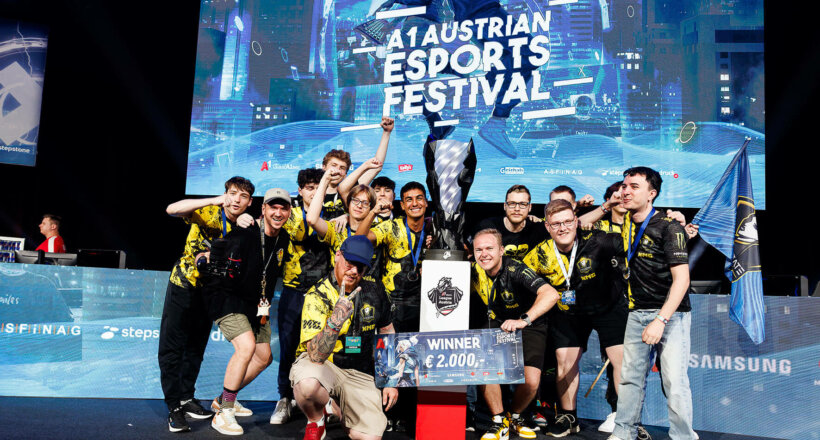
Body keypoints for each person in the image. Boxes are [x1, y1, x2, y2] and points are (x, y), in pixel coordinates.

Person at [522, 199, 626, 437]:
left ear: (576, 222)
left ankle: (627, 420)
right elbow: (518, 277)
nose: (563, 228)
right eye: (556, 224)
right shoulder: (539, 254)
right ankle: (568, 416)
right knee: (564, 361)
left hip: (607, 307)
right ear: (547, 227)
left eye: (568, 222)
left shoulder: (599, 241)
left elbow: (635, 245)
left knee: (621, 360)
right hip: (569, 311)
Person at [159, 176, 255, 433]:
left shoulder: (244, 226)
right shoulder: (208, 211)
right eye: (232, 193)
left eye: (243, 196)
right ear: (225, 194)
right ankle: (174, 407)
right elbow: (171, 209)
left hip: (211, 293)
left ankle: (187, 398)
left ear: (249, 202)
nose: (236, 200)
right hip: (183, 285)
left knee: (196, 348)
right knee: (172, 348)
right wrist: (214, 200)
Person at [608, 167, 697, 440]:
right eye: (624, 186)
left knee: (674, 382)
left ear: (652, 194)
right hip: (636, 313)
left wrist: (661, 320)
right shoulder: (624, 223)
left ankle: (683, 437)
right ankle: (624, 432)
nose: (626, 191)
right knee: (630, 379)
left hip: (671, 315)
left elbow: (682, 280)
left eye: (634, 187)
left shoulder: (669, 226)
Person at [202, 188, 292, 435]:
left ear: (289, 212)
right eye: (273, 207)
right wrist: (205, 257)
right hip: (228, 299)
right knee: (246, 347)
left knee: (263, 358)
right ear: (263, 209)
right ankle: (224, 412)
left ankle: (223, 399)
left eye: (283, 208)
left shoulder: (283, 238)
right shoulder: (246, 231)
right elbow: (216, 255)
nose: (278, 212)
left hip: (256, 306)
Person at [290, 235, 398, 440]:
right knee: (307, 385)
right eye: (350, 263)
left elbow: (387, 332)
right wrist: (335, 321)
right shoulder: (318, 295)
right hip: (325, 365)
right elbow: (315, 356)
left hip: (360, 372)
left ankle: (336, 408)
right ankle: (316, 419)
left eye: (361, 267)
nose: (354, 271)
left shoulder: (375, 289)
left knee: (369, 437)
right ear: (337, 256)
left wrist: (390, 379)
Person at [470, 228, 561, 440]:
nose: (484, 254)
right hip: (498, 321)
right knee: (485, 367)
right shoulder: (473, 270)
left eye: (489, 248)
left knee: (531, 381)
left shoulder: (516, 268)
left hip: (529, 322)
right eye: (478, 250)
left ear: (501, 250)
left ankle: (515, 417)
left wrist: (524, 320)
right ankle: (498, 421)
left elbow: (551, 294)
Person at [270, 168, 332, 424]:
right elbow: (304, 230)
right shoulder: (291, 215)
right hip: (294, 292)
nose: (314, 192)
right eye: (309, 188)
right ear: (300, 191)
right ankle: (285, 398)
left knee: (323, 347)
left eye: (318, 187)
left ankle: (322, 401)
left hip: (323, 295)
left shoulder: (333, 214)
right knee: (288, 346)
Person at [307, 164, 383, 282]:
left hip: (367, 290)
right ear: (348, 204)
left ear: (371, 208)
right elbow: (312, 219)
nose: (359, 206)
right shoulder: (336, 228)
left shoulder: (378, 229)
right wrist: (324, 180)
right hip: (337, 288)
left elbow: (359, 238)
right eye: (355, 200)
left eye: (365, 203)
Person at [473, 185, 548, 259]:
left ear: (529, 207)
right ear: (505, 206)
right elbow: (470, 253)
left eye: (523, 204)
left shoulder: (539, 229)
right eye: (512, 203)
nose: (517, 209)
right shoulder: (486, 227)